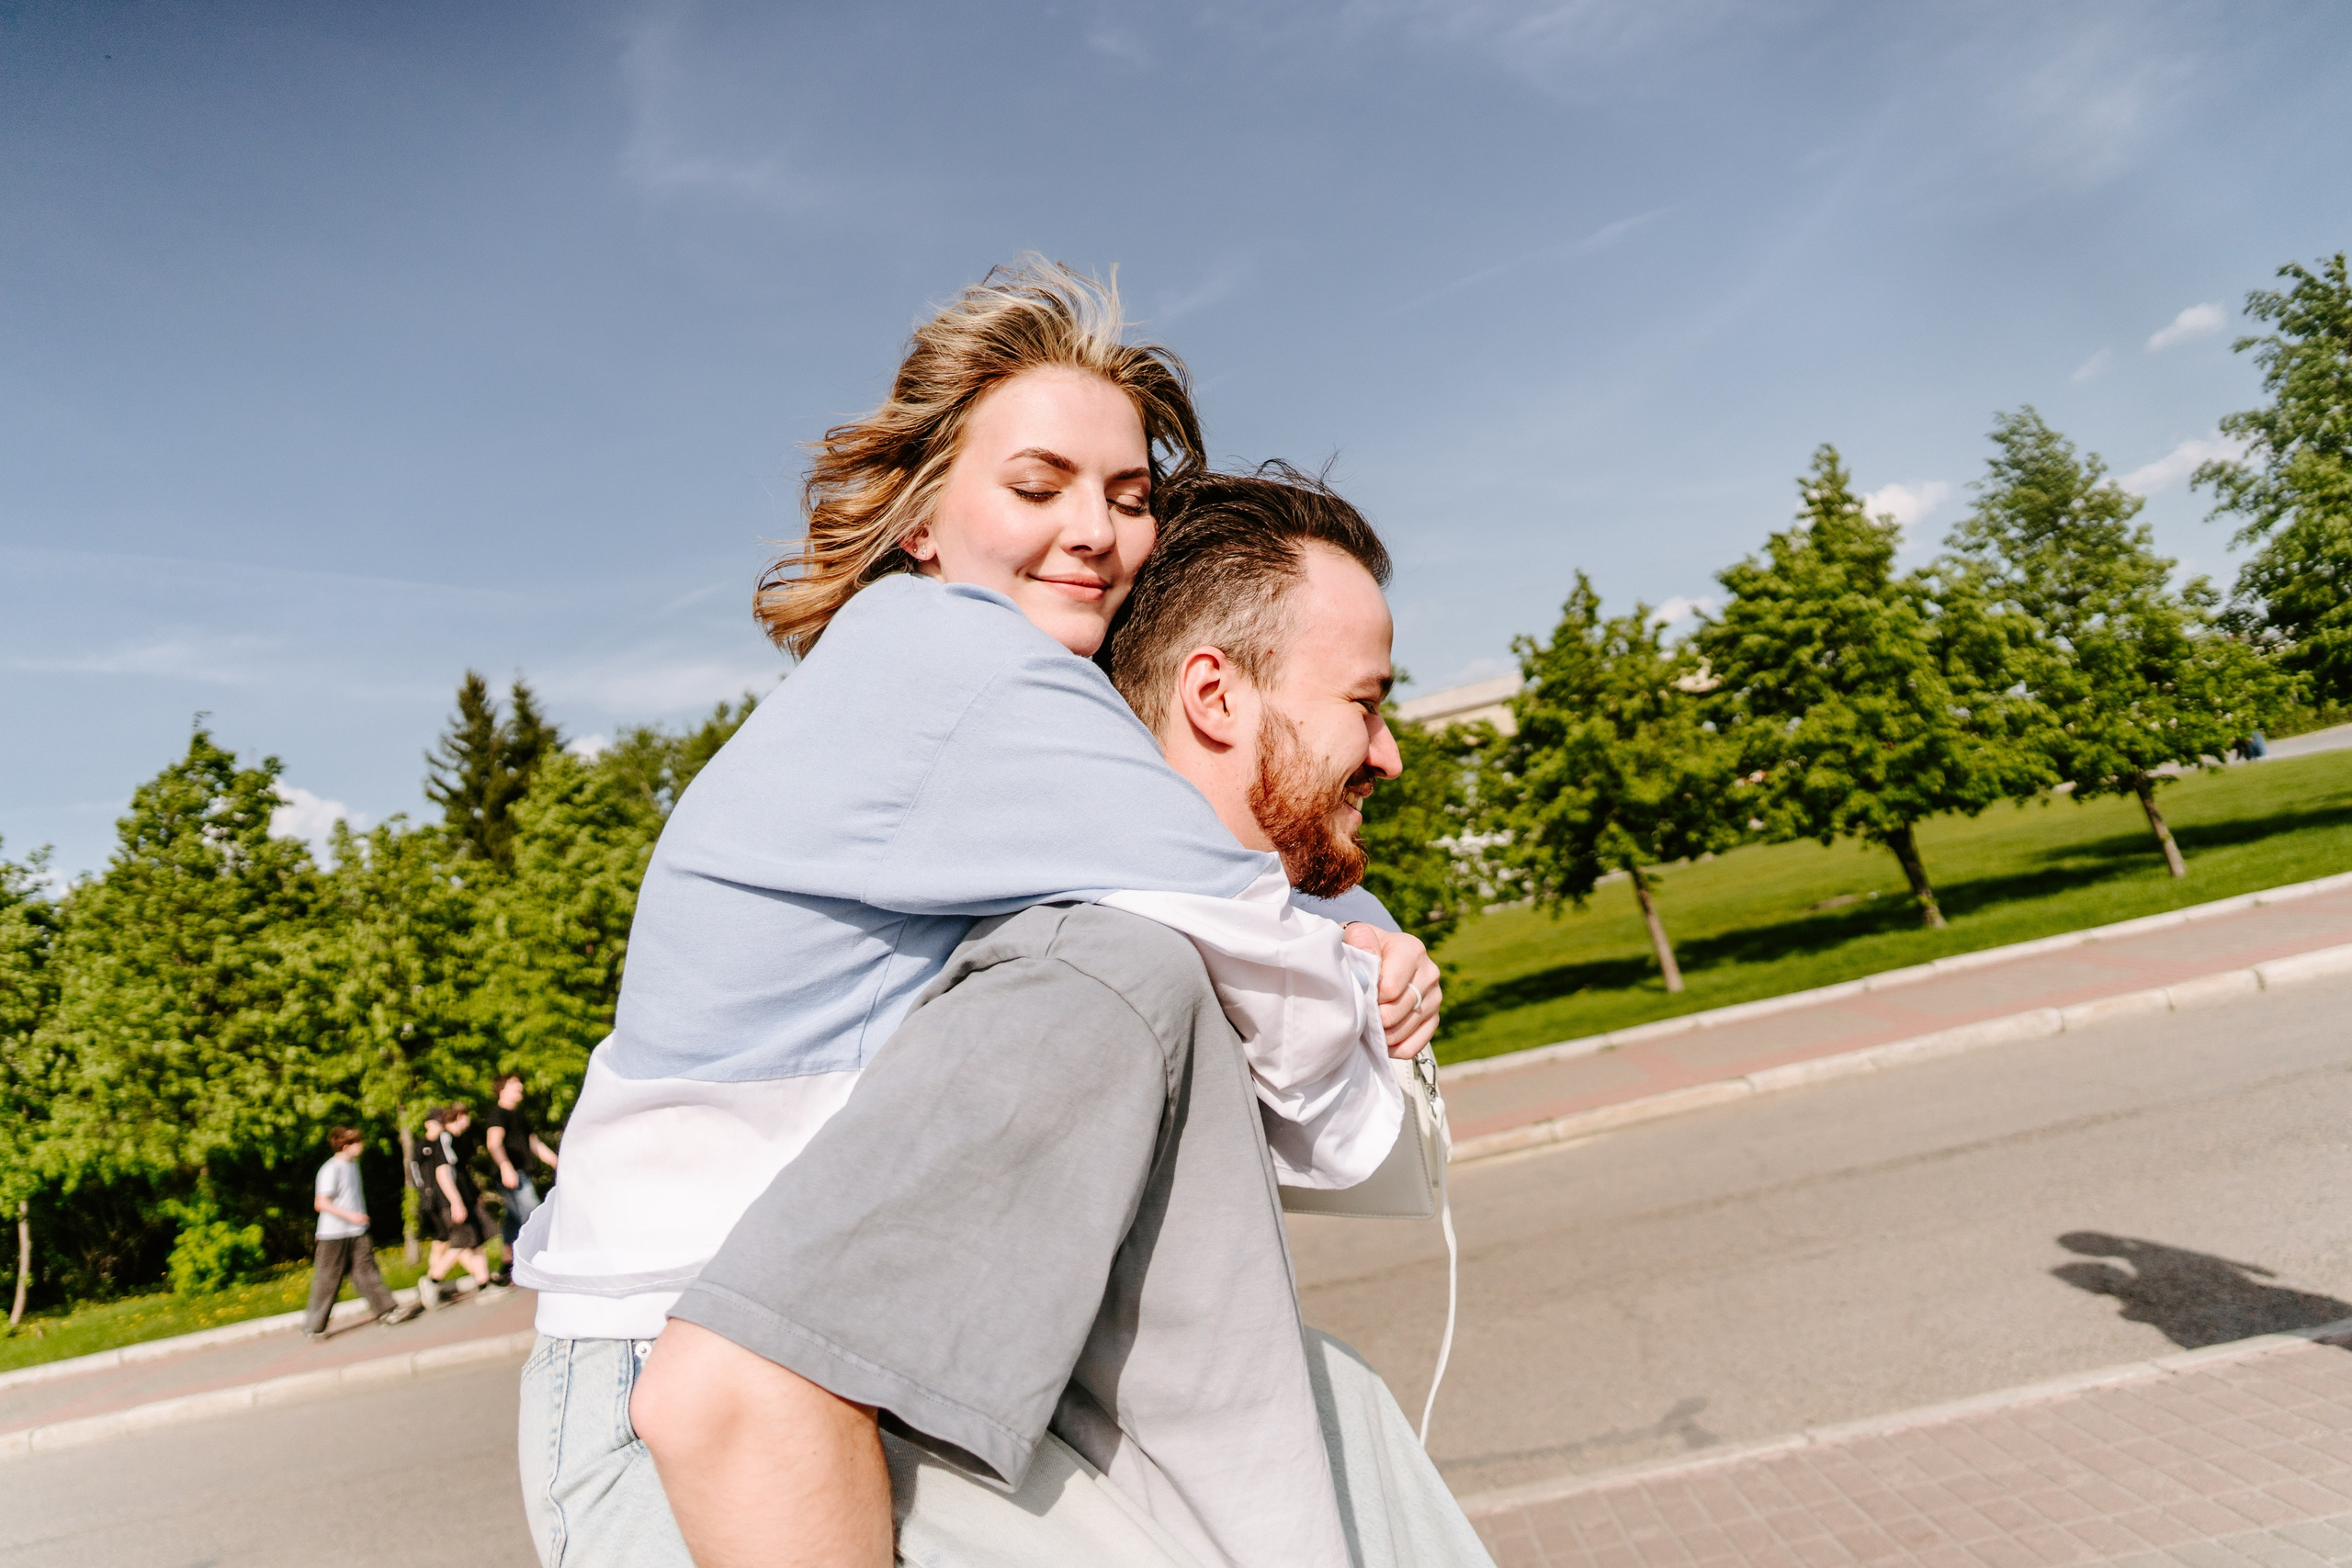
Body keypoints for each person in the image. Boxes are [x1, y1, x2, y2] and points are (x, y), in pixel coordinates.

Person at [570, 468, 1489, 1567]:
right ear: (1213, 697)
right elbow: (731, 1397)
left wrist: (1357, 950)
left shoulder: (1163, 951)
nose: (1387, 753)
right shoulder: (1101, 977)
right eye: (1366, 704)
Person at [511, 262, 1435, 1337]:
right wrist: (1355, 980)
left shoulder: (932, 678)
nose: (1094, 529)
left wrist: (1347, 939)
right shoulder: (959, 666)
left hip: (730, 1318)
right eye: (1037, 489)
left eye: (1129, 497)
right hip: (682, 1344)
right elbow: (1295, 1038)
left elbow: (1210, 880)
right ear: (920, 524)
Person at [305, 1127, 421, 1337]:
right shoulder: (331, 1169)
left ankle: (387, 1311)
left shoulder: (353, 1165)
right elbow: (321, 1203)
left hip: (357, 1231)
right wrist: (351, 1216)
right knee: (327, 1279)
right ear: (346, 1146)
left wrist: (356, 1220)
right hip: (333, 1234)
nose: (362, 1146)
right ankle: (314, 1326)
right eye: (358, 1143)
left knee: (366, 1272)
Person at [484, 1073, 559, 1288]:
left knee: (513, 1222)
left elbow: (533, 1144)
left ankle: (505, 1270)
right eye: (514, 1084)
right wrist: (506, 1168)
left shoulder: (519, 1115)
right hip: (511, 1175)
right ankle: (545, 1261)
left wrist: (558, 1162)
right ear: (502, 1088)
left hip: (520, 1173)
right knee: (534, 1214)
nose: (520, 1087)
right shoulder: (497, 1114)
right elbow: (493, 1143)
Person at [416, 1104, 492, 1308]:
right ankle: (432, 1280)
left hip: (461, 1199)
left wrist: (472, 1196)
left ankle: (484, 1283)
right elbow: (443, 1173)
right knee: (461, 1241)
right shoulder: (443, 1140)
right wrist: (456, 1202)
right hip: (449, 1201)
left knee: (475, 1241)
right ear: (460, 1116)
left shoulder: (451, 1140)